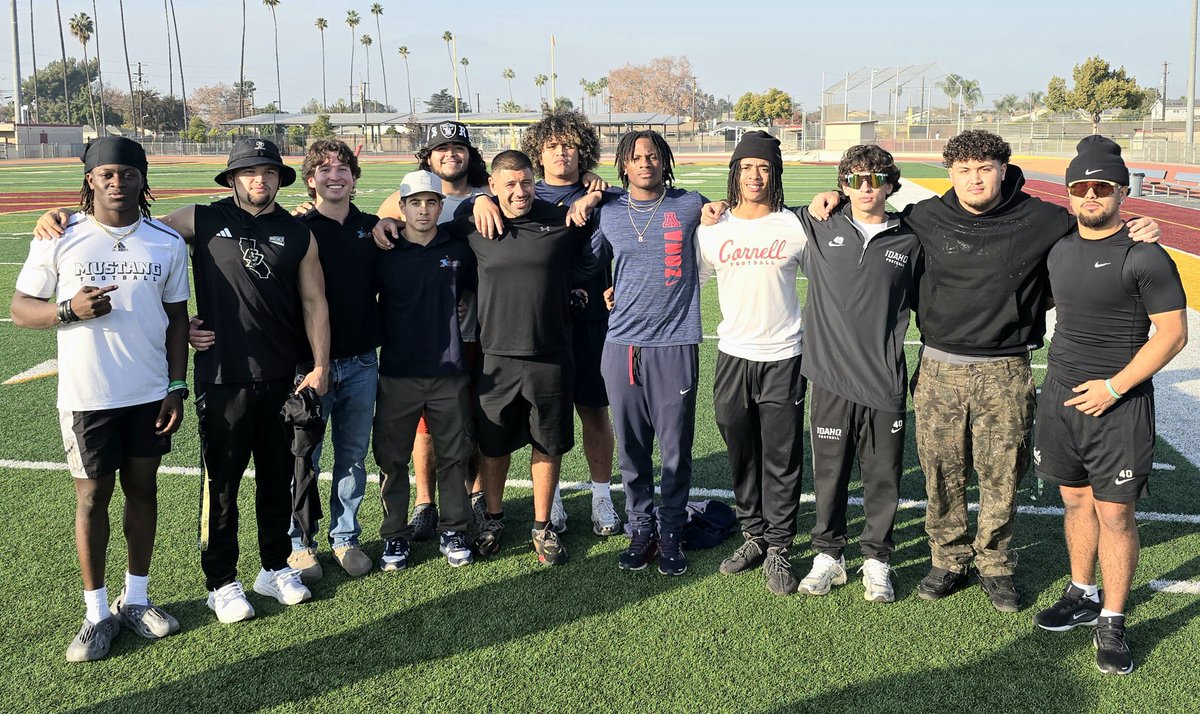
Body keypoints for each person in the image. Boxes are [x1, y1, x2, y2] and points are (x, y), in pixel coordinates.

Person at [808, 130, 1160, 612]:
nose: (975, 178)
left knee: (1001, 474)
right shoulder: (924, 216)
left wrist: (1142, 224)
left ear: (1003, 169)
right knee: (940, 472)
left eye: (985, 168)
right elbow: (873, 222)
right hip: (939, 366)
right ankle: (948, 559)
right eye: (964, 170)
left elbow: (1096, 227)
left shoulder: (1043, 218)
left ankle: (994, 563)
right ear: (949, 174)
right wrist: (830, 198)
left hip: (1006, 369)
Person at [12, 137, 189, 661]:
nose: (118, 182)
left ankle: (136, 598)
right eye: (107, 174)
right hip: (88, 394)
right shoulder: (60, 236)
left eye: (128, 173)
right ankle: (95, 613)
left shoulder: (165, 241)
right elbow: (23, 308)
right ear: (89, 179)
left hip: (150, 392)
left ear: (143, 179)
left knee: (143, 490)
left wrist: (176, 385)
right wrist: (68, 311)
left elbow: (177, 317)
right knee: (91, 498)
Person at [1031, 136, 1187, 675]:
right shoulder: (1057, 247)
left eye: (1102, 186)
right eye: (1081, 186)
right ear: (1069, 193)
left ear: (1122, 192)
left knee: (1115, 515)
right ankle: (1082, 592)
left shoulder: (1145, 254)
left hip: (1117, 404)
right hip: (1061, 396)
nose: (1091, 195)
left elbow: (1172, 336)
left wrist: (1114, 388)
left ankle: (1113, 620)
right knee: (1074, 502)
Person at [191, 139, 379, 582]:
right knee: (301, 459)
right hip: (293, 366)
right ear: (310, 180)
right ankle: (298, 544)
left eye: (343, 168)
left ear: (354, 178)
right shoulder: (294, 225)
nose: (335, 175)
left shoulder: (368, 228)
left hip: (357, 363)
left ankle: (345, 536)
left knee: (352, 457)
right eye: (324, 169)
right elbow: (143, 235)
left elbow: (321, 301)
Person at [472, 111, 620, 537]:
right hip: (532, 330)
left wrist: (595, 193)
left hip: (589, 320)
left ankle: (601, 498)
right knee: (540, 424)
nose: (561, 153)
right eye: (552, 146)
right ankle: (549, 502)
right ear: (539, 153)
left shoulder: (599, 194)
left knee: (594, 409)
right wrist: (479, 199)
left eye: (569, 145)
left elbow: (630, 233)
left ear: (583, 151)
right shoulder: (510, 198)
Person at [790, 146, 921, 603]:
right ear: (842, 183)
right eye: (854, 179)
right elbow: (757, 213)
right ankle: (828, 554)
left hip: (884, 378)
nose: (866, 187)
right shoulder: (816, 223)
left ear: (891, 182)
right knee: (829, 474)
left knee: (883, 475)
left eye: (875, 178)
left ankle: (878, 558)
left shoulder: (911, 238)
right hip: (827, 377)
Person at [463, 150, 598, 565]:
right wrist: (476, 203)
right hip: (495, 357)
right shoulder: (472, 223)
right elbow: (418, 220)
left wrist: (592, 193)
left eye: (524, 182)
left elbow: (609, 207)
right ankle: (494, 517)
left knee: (548, 441)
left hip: (551, 354)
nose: (518, 192)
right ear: (492, 187)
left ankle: (542, 526)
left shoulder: (561, 218)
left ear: (533, 180)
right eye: (508, 185)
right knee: (493, 444)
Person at [695, 131, 808, 594]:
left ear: (775, 173)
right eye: (746, 167)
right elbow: (687, 283)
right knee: (741, 452)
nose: (755, 175)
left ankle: (780, 546)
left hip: (784, 356)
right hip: (733, 357)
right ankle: (753, 536)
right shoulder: (713, 228)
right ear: (734, 173)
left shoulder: (795, 226)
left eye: (763, 167)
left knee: (781, 457)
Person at [591, 130, 706, 576]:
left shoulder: (690, 204)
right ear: (623, 165)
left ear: (665, 162)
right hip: (621, 345)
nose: (645, 163)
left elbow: (742, 214)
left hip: (674, 345)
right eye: (636, 157)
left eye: (653, 156)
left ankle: (672, 531)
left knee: (676, 449)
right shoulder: (608, 212)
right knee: (632, 450)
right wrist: (601, 288)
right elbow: (590, 264)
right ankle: (641, 528)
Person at [375, 121, 490, 540]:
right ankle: (424, 503)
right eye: (441, 148)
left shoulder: (485, 193)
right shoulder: (407, 200)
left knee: (466, 421)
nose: (451, 154)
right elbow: (383, 221)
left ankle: (471, 497)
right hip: (422, 342)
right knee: (422, 427)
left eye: (458, 147)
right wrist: (377, 225)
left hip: (476, 335)